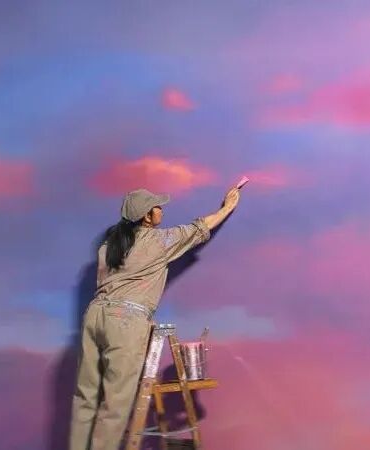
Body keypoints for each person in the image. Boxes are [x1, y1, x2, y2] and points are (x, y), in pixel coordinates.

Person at [69, 186, 241, 450]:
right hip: (125, 321)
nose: (162, 210)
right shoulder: (159, 242)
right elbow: (199, 228)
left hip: (94, 316)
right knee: (115, 405)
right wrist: (227, 207)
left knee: (85, 399)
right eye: (157, 207)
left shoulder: (108, 246)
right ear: (146, 216)